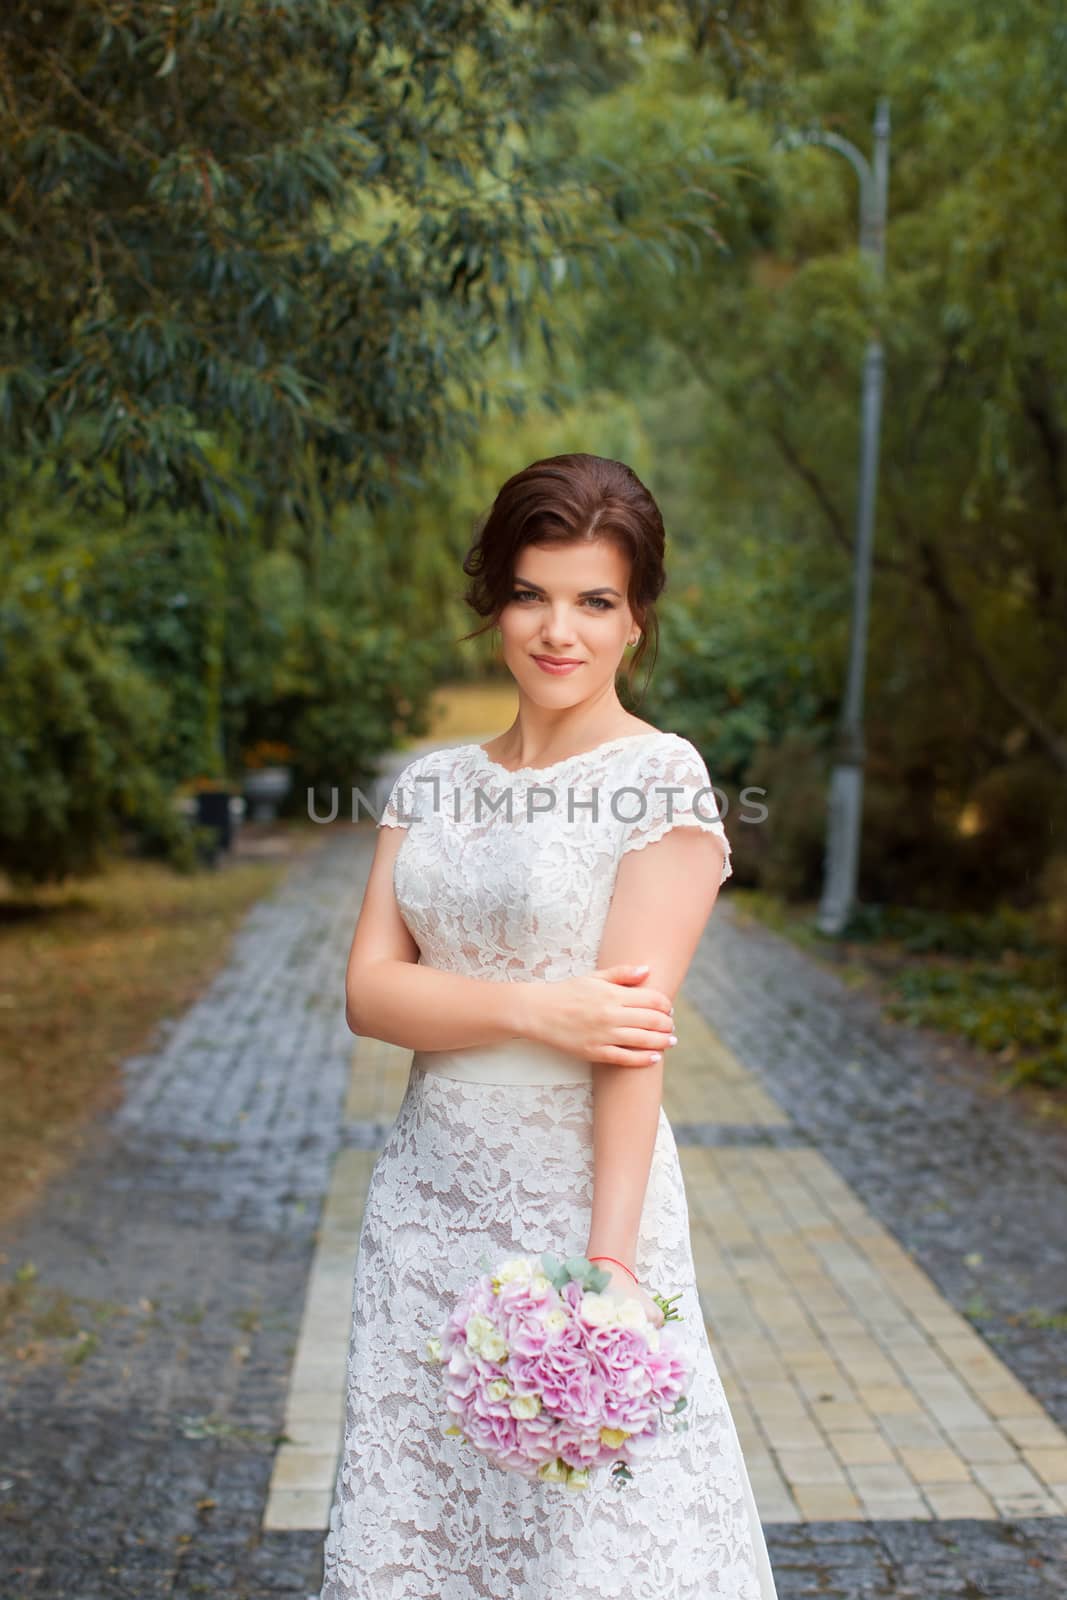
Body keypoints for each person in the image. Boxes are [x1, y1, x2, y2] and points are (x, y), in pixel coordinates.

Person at [319, 452, 778, 1598]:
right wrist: (537, 1005)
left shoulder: (659, 779)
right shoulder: (429, 784)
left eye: (594, 600)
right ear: (494, 602)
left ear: (635, 621)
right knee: (419, 1524)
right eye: (531, 593)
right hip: (425, 1208)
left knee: (588, 1545)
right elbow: (370, 993)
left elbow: (628, 1044)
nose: (556, 630)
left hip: (575, 1207)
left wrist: (611, 1270)